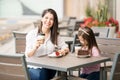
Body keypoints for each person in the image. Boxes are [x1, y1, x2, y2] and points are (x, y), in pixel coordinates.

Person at [25, 8, 69, 80]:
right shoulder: (32, 34)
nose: (48, 21)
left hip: (50, 67)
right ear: (42, 19)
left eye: (51, 19)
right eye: (46, 18)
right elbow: (27, 55)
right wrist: (35, 47)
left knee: (50, 71)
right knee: (44, 73)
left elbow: (65, 46)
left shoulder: (55, 35)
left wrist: (63, 51)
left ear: (54, 22)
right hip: (34, 68)